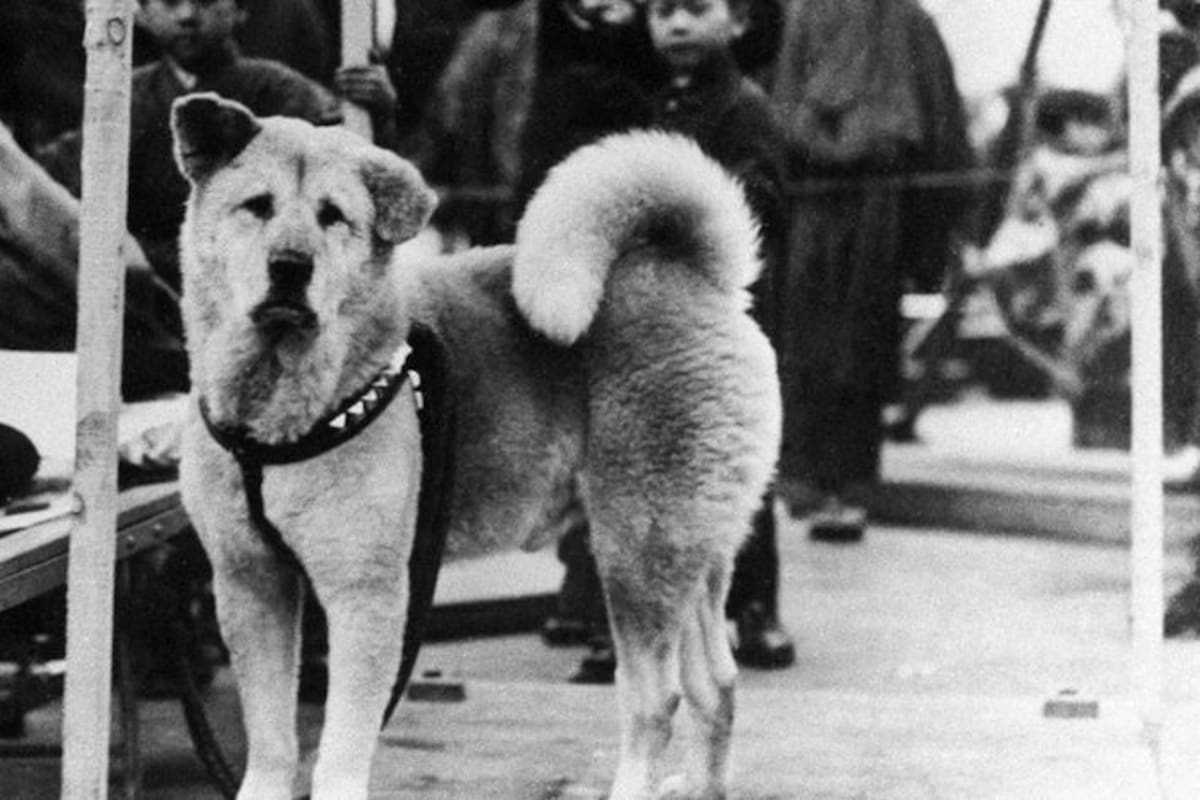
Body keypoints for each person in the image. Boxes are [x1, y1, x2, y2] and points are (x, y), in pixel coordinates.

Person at [770, 0, 973, 540]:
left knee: (860, 339)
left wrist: (928, 234)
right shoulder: (803, 17)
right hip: (810, 199)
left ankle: (850, 484)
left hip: (878, 202)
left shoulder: (906, 22)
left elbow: (941, 129)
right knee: (804, 335)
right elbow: (781, 111)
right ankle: (805, 477)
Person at [644, 0, 793, 668]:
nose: (677, 25)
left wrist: (689, 204)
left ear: (737, 21)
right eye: (662, 11)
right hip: (663, 307)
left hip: (732, 305)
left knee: (735, 458)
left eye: (696, 8)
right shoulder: (656, 106)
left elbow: (764, 200)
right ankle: (675, 614)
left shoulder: (745, 108)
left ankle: (755, 606)